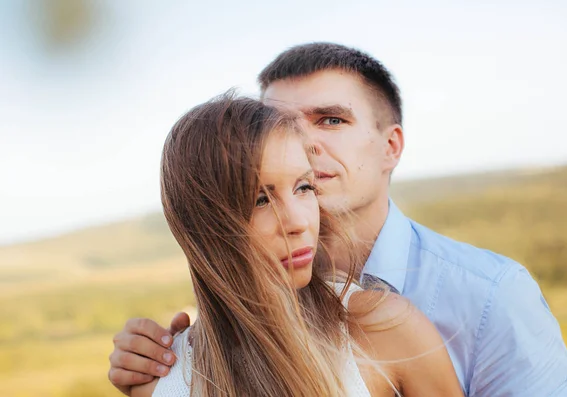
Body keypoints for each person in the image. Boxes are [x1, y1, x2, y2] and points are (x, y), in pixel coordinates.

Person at [109, 43, 567, 396]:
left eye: (331, 120)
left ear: (390, 147)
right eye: (280, 123)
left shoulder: (493, 295)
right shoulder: (171, 363)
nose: (305, 141)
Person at [128, 93, 462, 396]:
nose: (299, 222)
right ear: (202, 225)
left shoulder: (387, 330)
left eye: (304, 187)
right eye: (261, 199)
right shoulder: (160, 380)